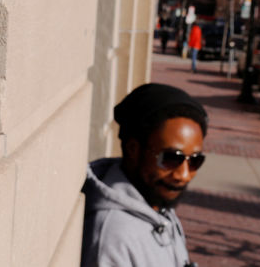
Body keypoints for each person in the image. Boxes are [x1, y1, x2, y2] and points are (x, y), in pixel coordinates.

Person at [81, 83, 208, 267]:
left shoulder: (156, 202)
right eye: (171, 158)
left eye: (195, 160)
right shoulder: (114, 238)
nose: (184, 175)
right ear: (133, 149)